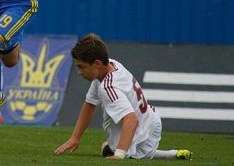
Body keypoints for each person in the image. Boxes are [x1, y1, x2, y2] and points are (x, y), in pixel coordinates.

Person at [55, 33, 193, 160]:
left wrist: (119, 154)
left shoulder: (108, 86)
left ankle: (129, 151)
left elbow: (131, 120)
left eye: (81, 67)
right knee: (113, 147)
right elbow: (90, 103)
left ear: (96, 64)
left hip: (140, 132)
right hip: (150, 121)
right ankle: (172, 154)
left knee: (109, 150)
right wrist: (75, 138)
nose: (79, 72)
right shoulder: (111, 64)